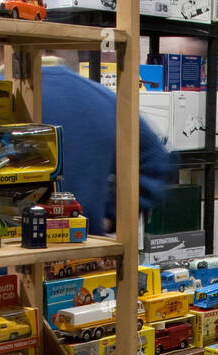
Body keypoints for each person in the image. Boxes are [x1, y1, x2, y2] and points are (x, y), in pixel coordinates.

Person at [40, 63, 173, 233]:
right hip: (87, 247)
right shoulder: (102, 97)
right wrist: (110, 216)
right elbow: (156, 159)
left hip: (10, 251)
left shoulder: (2, 97)